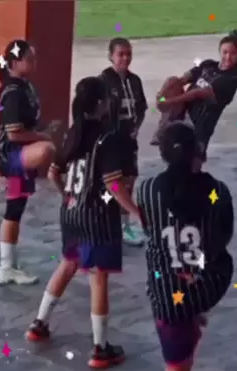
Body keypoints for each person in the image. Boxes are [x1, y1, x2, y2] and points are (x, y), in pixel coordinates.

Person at [25, 76, 140, 370]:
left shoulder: (72, 133)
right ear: (101, 103)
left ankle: (39, 322)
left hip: (71, 212)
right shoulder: (107, 138)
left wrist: (67, 196)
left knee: (67, 264)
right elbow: (113, 184)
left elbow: (53, 172)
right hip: (97, 217)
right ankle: (100, 348)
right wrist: (135, 211)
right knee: (98, 278)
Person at [137, 122, 234, 371]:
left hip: (166, 290)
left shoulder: (148, 190)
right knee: (182, 361)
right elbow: (224, 236)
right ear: (196, 152)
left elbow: (149, 228)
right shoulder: (218, 191)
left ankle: (188, 314)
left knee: (176, 368)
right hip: (208, 283)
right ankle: (193, 309)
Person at [0, 39, 58, 285]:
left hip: (18, 154)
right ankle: (6, 266)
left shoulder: (24, 87)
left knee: (15, 207)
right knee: (46, 150)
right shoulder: (13, 92)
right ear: (14, 62)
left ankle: (7, 265)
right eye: (29, 59)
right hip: (10, 154)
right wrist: (42, 136)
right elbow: (13, 134)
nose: (34, 63)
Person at [151, 30, 237, 158]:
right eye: (225, 52)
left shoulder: (230, 81)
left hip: (199, 128)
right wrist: (162, 95)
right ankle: (163, 125)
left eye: (233, 53)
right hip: (183, 115)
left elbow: (197, 93)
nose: (228, 57)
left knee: (191, 163)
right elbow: (181, 80)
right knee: (172, 80)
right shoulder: (208, 65)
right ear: (219, 51)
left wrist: (169, 101)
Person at [100, 37, 149, 246]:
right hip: (111, 141)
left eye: (128, 54)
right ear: (111, 56)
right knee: (112, 182)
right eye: (121, 54)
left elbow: (142, 107)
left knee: (129, 180)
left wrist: (136, 128)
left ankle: (124, 225)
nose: (125, 58)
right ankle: (105, 223)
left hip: (128, 140)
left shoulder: (134, 80)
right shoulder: (103, 81)